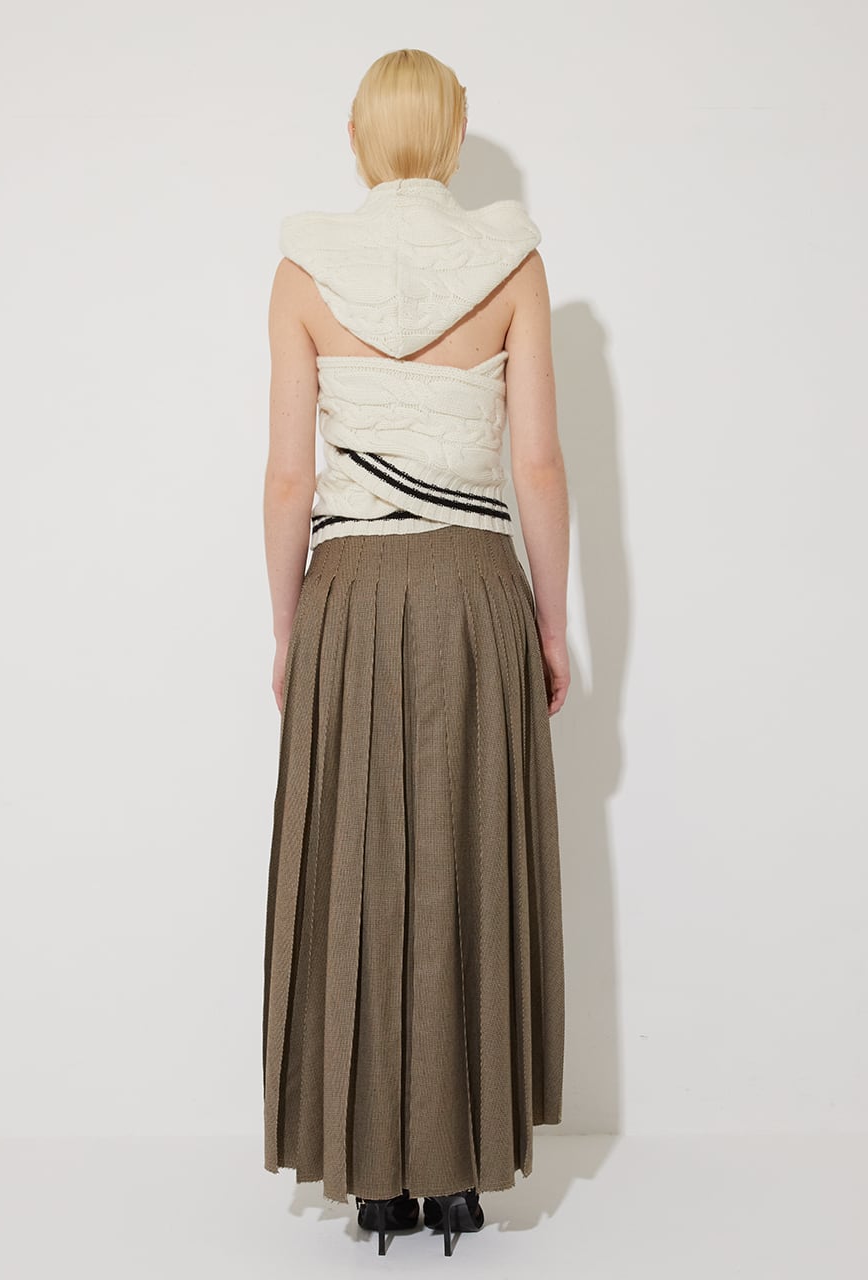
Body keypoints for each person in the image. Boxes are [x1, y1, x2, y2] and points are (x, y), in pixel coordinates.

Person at [261, 48, 569, 1257]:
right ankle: (459, 1180)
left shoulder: (303, 271)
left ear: (357, 137)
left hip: (347, 589)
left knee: (354, 861)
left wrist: (287, 626)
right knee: (463, 851)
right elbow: (534, 462)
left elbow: (288, 477)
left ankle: (373, 1184)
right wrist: (551, 621)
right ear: (451, 135)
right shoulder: (510, 263)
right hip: (473, 585)